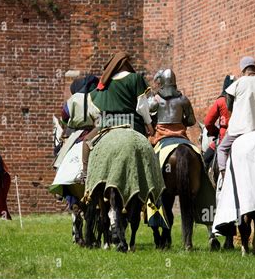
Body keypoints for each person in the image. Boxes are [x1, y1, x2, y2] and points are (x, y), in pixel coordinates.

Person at [79, 52, 153, 182]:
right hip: (132, 122)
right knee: (149, 149)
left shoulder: (107, 83)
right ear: (125, 63)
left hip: (107, 122)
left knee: (87, 141)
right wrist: (149, 124)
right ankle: (151, 179)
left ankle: (85, 175)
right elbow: (142, 106)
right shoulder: (135, 78)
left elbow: (94, 107)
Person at [216, 56, 255, 179]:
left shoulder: (236, 85)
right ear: (254, 68)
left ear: (243, 69)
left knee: (222, 149)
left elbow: (229, 107)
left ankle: (224, 178)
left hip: (238, 130)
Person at [148, 68, 196, 146]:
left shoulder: (156, 99)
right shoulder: (183, 99)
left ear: (162, 82)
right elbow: (192, 121)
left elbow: (147, 115)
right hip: (180, 133)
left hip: (161, 135)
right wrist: (181, 121)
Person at [202, 75, 233, 166]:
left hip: (224, 138)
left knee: (204, 162)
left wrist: (216, 132)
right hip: (241, 135)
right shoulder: (240, 100)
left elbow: (208, 122)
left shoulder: (220, 101)